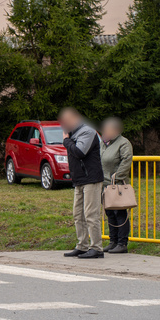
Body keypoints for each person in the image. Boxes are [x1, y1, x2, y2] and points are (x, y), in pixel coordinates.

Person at [59, 107, 105, 259]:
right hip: (79, 180)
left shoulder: (87, 132)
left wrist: (66, 140)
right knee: (78, 214)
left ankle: (97, 248)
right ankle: (82, 245)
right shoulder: (73, 134)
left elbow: (79, 152)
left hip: (91, 179)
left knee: (91, 215)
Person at [100, 117, 133, 254]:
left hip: (117, 185)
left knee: (119, 212)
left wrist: (117, 176)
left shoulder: (124, 143)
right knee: (110, 213)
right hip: (105, 184)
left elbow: (126, 160)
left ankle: (122, 243)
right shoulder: (104, 143)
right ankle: (112, 241)